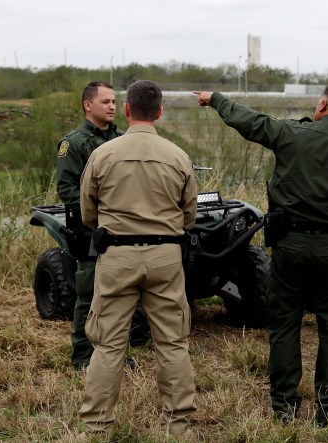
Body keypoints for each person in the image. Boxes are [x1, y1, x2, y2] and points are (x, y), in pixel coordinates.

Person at [193, 83, 328, 427]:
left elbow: (250, 121)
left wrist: (216, 99)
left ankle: (284, 407)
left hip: (290, 247)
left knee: (284, 325)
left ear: (323, 104)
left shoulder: (290, 133)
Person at [78, 80, 198, 436]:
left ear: (127, 110)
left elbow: (88, 212)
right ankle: (179, 427)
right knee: (173, 342)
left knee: (108, 345)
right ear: (159, 112)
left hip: (116, 256)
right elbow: (189, 215)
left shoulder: (102, 154)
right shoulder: (178, 156)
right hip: (165, 256)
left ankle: (96, 428)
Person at [56, 81, 124, 370]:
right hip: (92, 231)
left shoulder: (121, 139)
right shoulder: (74, 143)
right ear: (88, 105)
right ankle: (83, 356)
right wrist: (101, 214)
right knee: (88, 295)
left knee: (120, 297)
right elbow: (68, 190)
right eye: (106, 101)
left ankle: (116, 354)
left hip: (123, 231)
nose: (112, 106)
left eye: (114, 102)